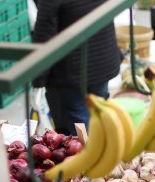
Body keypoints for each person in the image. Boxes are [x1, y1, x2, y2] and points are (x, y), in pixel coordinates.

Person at [32, 0, 122, 136]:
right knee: (97, 117)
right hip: (102, 60)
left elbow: (44, 37)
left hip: (70, 75)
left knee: (75, 132)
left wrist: (38, 80)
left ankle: (87, 154)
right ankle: (100, 152)